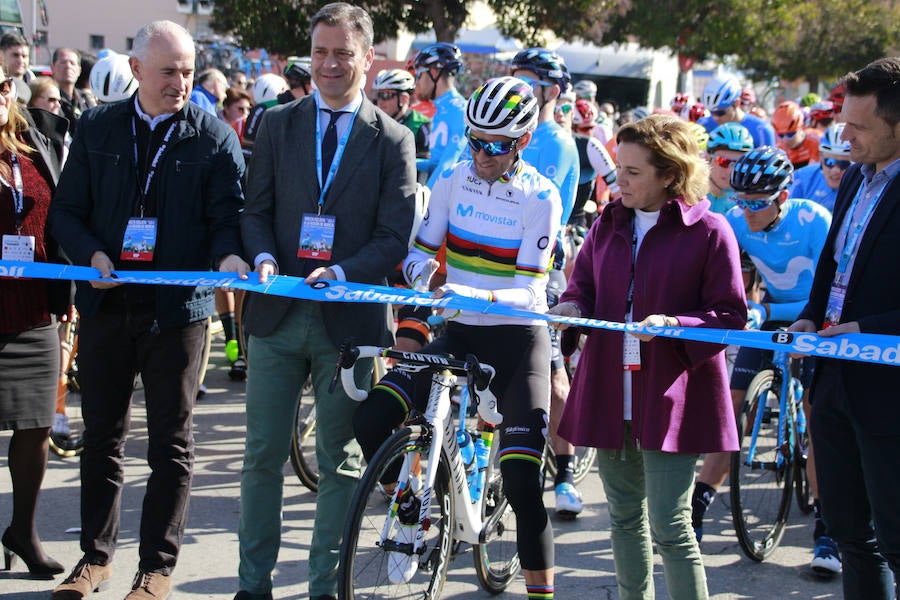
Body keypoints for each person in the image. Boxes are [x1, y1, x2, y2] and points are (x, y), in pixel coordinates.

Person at [47, 20, 248, 599]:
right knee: (102, 437)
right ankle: (94, 558)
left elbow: (226, 220)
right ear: (135, 71)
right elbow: (66, 212)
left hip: (177, 313)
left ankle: (156, 568)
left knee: (171, 444)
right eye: (169, 72)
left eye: (188, 71)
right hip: (107, 305)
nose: (180, 83)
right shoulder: (99, 127)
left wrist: (230, 256)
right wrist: (91, 254)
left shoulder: (213, 138)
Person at [353, 74, 561, 598]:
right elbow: (419, 255)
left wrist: (481, 296)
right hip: (461, 332)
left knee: (520, 483)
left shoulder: (542, 196)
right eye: (474, 139)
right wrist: (431, 278)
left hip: (518, 342)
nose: (483, 153)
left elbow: (532, 293)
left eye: (495, 145)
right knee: (372, 417)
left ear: (523, 143)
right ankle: (412, 506)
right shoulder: (452, 176)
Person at [236, 4, 417, 599]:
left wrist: (342, 270)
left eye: (343, 53)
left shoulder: (393, 139)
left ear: (368, 59)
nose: (330, 64)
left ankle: (324, 588)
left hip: (350, 324)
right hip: (276, 313)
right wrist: (262, 257)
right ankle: (252, 586)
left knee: (338, 462)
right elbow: (255, 212)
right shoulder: (278, 124)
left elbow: (394, 236)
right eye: (321, 52)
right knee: (262, 456)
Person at [549, 114, 746, 600]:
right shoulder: (606, 221)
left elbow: (728, 313)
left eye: (634, 172)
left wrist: (676, 326)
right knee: (623, 518)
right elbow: (584, 287)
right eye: (618, 168)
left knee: (671, 526)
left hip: (673, 395)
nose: (620, 181)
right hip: (609, 391)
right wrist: (572, 308)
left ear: (670, 174)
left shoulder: (711, 230)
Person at [690, 147, 836, 575]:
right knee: (729, 410)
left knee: (815, 415)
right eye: (741, 200)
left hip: (817, 319)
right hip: (768, 314)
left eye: (759, 202)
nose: (748, 211)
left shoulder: (814, 222)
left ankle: (827, 529)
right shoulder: (735, 220)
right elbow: (730, 278)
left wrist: (768, 312)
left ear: (784, 196)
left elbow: (833, 289)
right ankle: (696, 510)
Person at [788, 56, 900, 600]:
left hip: (887, 390)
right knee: (852, 536)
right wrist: (812, 315)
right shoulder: (856, 176)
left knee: (896, 539)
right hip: (831, 376)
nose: (843, 137)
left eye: (858, 127)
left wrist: (865, 327)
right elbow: (834, 263)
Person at [510, 47, 586, 519]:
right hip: (491, 262)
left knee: (554, 378)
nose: (514, 91)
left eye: (525, 83)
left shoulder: (557, 141)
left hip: (541, 265)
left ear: (550, 92)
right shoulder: (506, 124)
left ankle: (566, 470)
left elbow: (533, 210)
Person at [0, 65, 69, 580]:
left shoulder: (31, 144)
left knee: (36, 429)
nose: (4, 95)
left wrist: (67, 292)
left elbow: (56, 217)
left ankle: (23, 530)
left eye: (5, 87)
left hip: (35, 312)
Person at [412, 42, 466, 189]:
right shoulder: (442, 109)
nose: (417, 82)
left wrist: (424, 199)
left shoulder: (460, 111)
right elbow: (435, 162)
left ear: (434, 72)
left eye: (419, 74)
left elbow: (447, 165)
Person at [789, 122, 852, 213]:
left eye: (844, 164)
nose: (835, 170)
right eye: (830, 162)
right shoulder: (802, 178)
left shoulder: (865, 186)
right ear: (821, 160)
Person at [699, 74, 775, 148]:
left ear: (736, 103)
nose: (715, 118)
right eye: (711, 112)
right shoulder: (703, 125)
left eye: (720, 112)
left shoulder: (762, 130)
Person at [705, 123, 754, 214]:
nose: (731, 171)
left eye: (739, 163)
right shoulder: (689, 191)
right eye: (724, 161)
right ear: (708, 158)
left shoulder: (750, 201)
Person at [51, 48, 93, 136]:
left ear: (79, 71)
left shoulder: (85, 99)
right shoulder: (48, 97)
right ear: (52, 67)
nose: (68, 66)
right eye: (63, 62)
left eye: (72, 63)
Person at [772, 101, 820, 168]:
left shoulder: (816, 140)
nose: (785, 140)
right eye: (781, 135)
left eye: (790, 134)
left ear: (802, 127)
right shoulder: (778, 147)